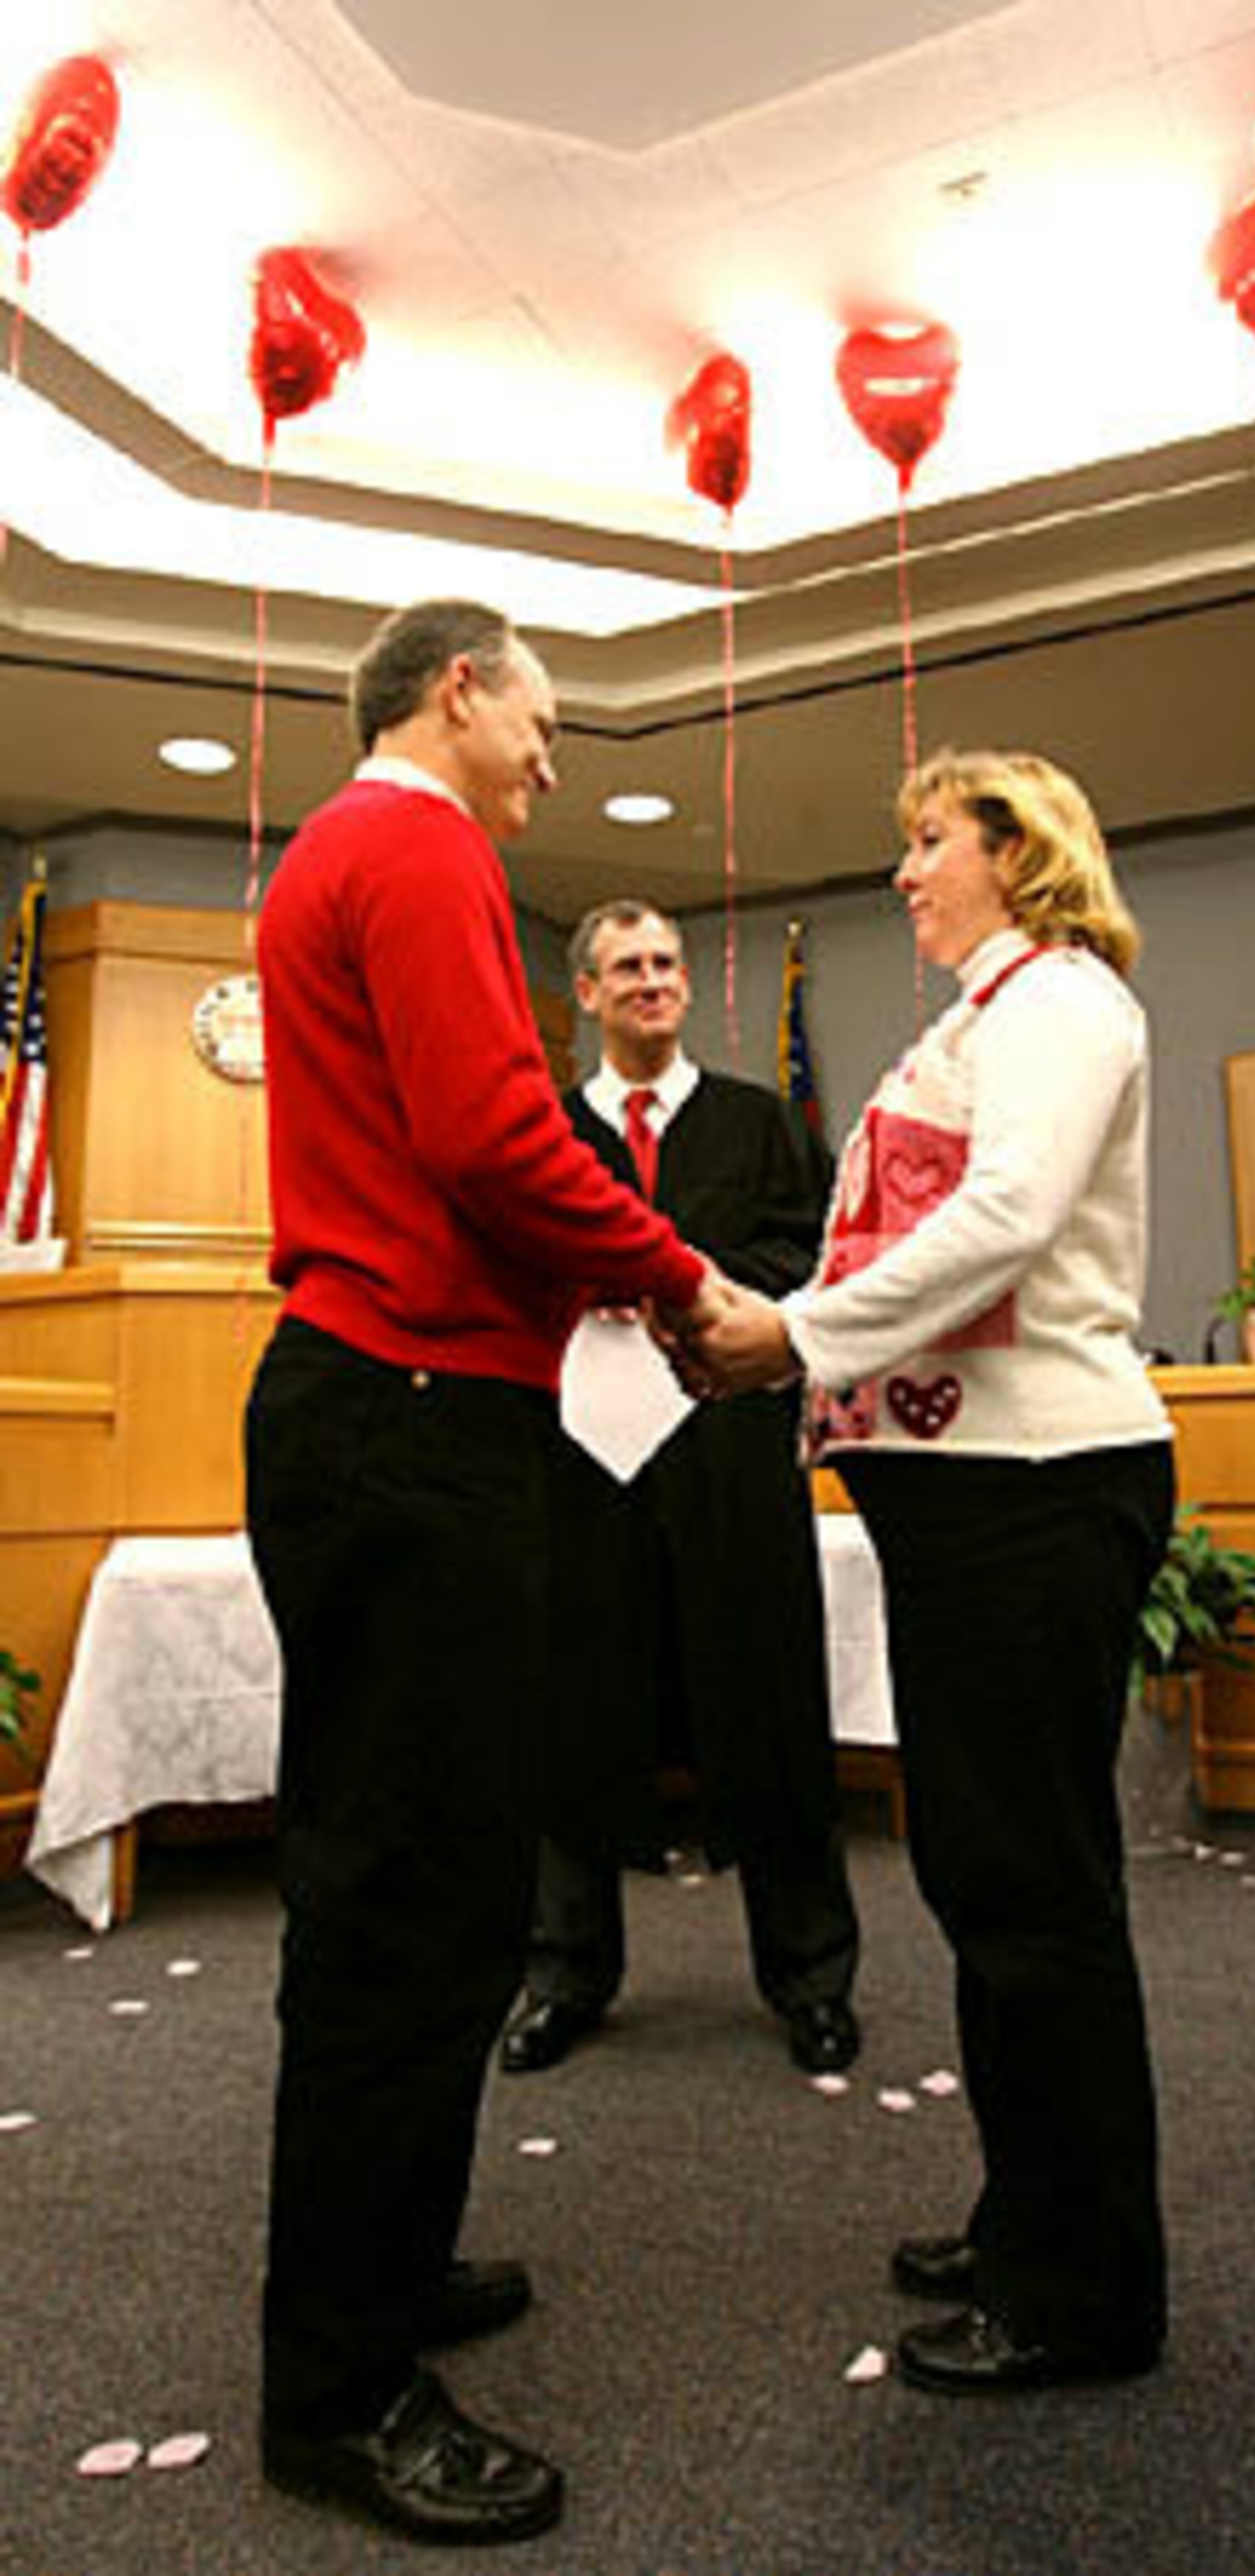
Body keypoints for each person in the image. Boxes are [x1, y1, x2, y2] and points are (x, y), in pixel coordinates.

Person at [245, 600, 721, 2545]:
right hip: (412, 1414)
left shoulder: (341, 854)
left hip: (398, 1408)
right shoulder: (419, 839)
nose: (551, 753)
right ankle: (339, 2388)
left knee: (429, 1891)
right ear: (462, 689)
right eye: (543, 714)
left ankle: (385, 2263)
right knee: (406, 1904)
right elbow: (493, 1130)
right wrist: (680, 1276)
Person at [684, 750, 1176, 2396]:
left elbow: (1010, 1212)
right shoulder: (979, 1015)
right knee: (986, 1877)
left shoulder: (1062, 1001)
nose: (904, 873)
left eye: (928, 843)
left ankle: (1085, 2291)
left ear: (1018, 853)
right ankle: (1032, 2208)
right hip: (965, 1489)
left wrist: (794, 1338)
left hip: (1036, 1479)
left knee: (1033, 1890)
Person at [499, 901, 861, 2078]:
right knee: (564, 1710)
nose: (653, 982)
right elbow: (504, 1262)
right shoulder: (542, 1137)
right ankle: (564, 1974)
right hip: (581, 1462)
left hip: (729, 1454)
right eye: (627, 969)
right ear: (589, 996)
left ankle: (810, 1978)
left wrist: (673, 1282)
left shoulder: (762, 1124)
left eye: (667, 964)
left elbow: (809, 1256)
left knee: (770, 1702)